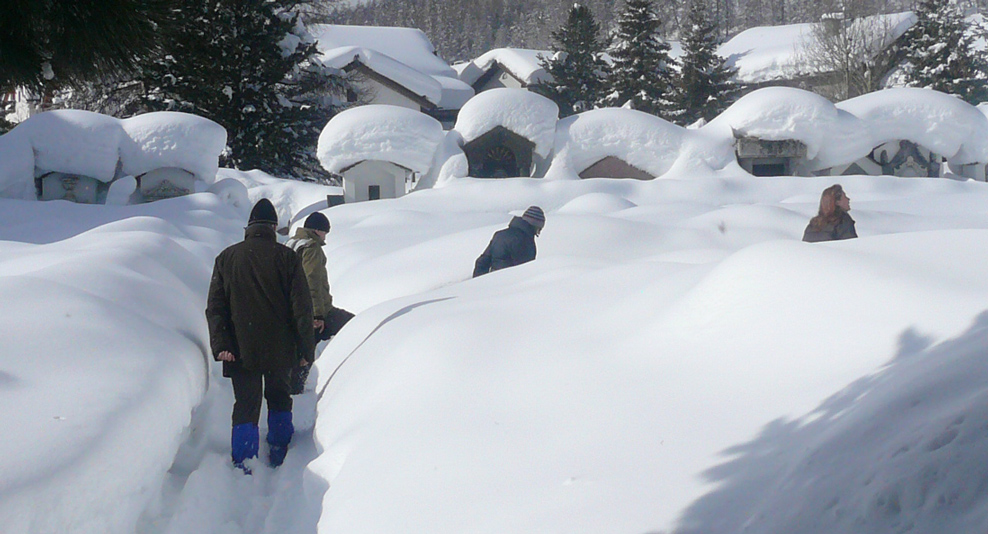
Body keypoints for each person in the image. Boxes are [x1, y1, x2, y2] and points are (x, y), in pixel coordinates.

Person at [206, 198, 315, 473]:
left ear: (249, 226)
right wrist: (305, 350)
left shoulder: (227, 258)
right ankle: (280, 450)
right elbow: (302, 307)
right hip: (281, 346)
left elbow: (216, 307)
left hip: (241, 348)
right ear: (274, 226)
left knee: (245, 403)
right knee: (279, 397)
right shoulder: (287, 257)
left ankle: (244, 462)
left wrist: (221, 344)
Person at [285, 211, 347, 394]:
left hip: (294, 308)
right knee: (354, 326)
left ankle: (292, 386)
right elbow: (311, 280)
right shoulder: (312, 248)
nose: (325, 237)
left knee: (302, 348)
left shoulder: (292, 244)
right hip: (314, 310)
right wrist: (317, 314)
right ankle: (295, 389)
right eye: (325, 232)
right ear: (318, 231)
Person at [473, 206, 545, 277]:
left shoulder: (499, 235)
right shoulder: (526, 241)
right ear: (535, 226)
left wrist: (479, 284)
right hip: (511, 285)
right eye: (539, 229)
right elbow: (525, 272)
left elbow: (482, 262)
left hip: (493, 282)